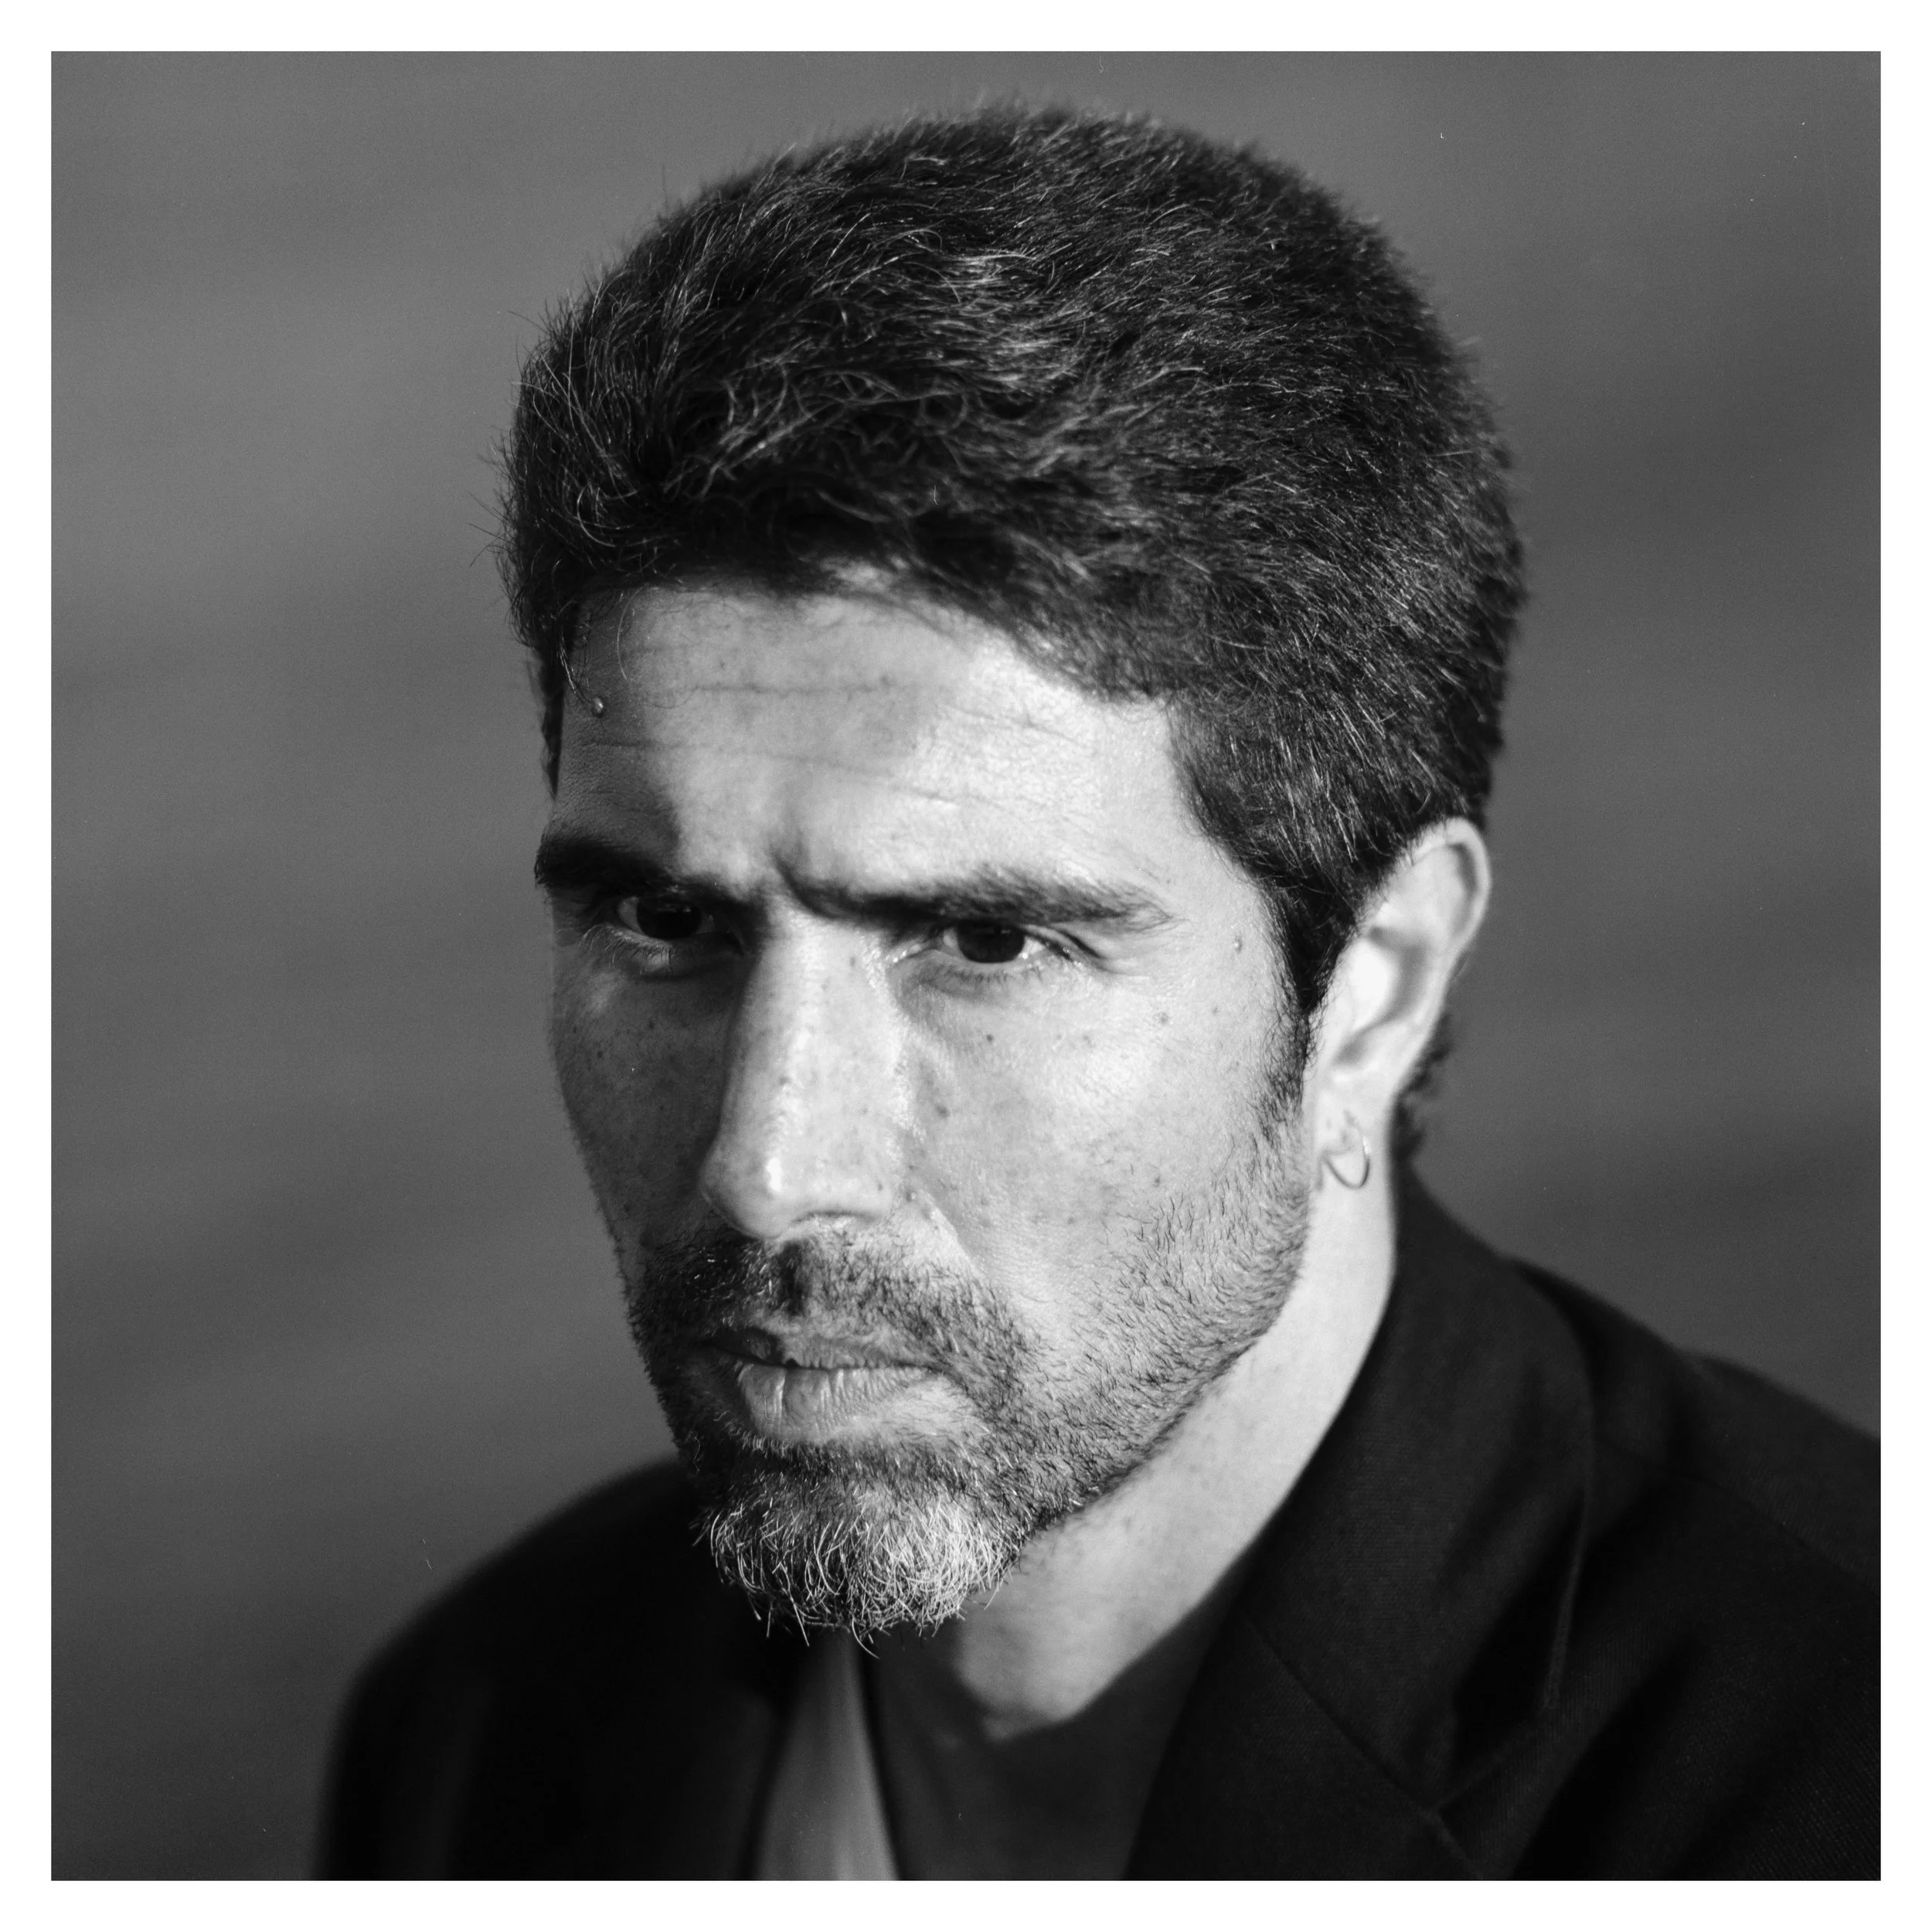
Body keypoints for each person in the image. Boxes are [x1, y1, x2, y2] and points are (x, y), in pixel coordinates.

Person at [318, 105, 1877, 1879]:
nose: (766, 1162)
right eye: (668, 918)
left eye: (981, 942)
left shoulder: (1826, 1770)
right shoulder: (483, 1738)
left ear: (1373, 980)